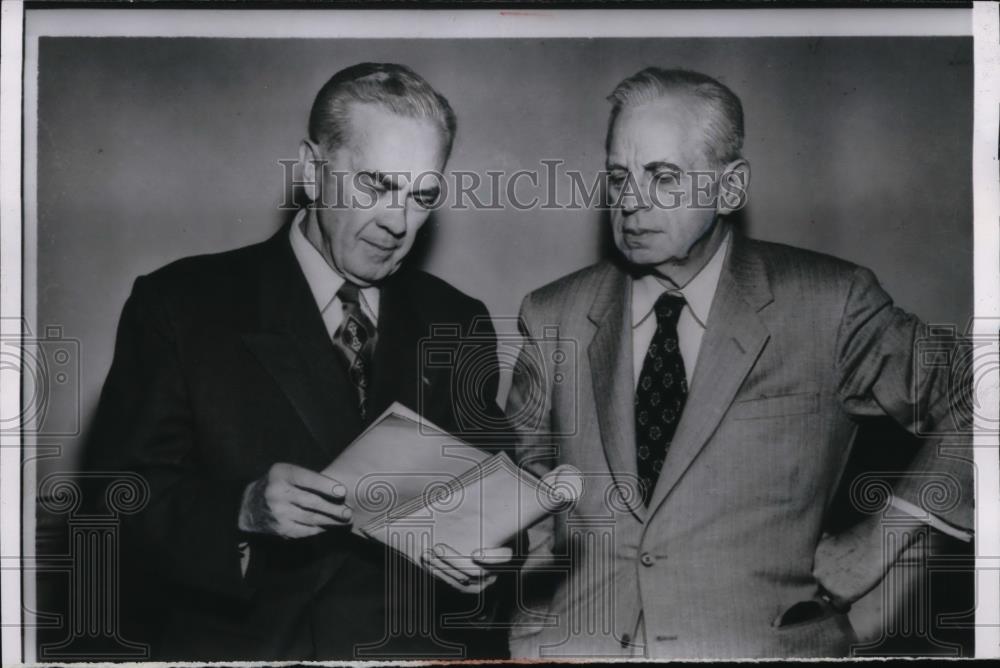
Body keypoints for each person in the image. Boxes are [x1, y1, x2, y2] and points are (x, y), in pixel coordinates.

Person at [505, 67, 974, 659]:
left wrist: (884, 537)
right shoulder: (553, 314)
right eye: (618, 177)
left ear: (730, 188)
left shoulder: (830, 303)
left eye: (663, 176)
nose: (630, 202)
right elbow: (521, 491)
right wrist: (523, 622)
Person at [83, 62, 511, 661]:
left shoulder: (457, 319)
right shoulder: (182, 304)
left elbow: (488, 496)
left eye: (422, 196)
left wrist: (500, 548)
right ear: (311, 171)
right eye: (377, 186)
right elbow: (114, 503)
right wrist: (240, 510)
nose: (399, 222)